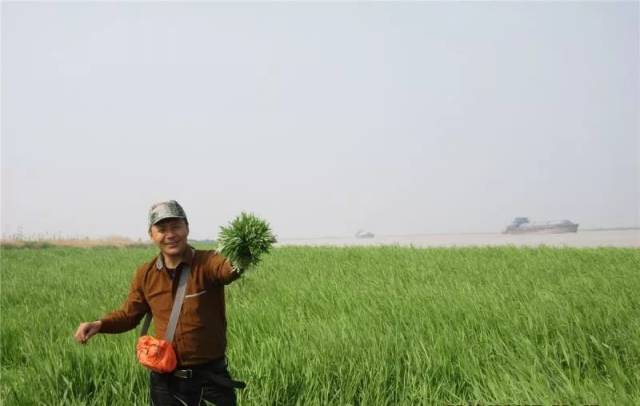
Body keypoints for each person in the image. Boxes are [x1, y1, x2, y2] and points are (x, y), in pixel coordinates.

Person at [74, 200, 245, 406]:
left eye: (176, 227)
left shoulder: (208, 262)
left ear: (187, 228)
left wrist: (244, 252)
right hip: (166, 384)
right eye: (162, 229)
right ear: (152, 235)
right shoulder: (146, 274)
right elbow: (129, 315)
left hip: (211, 381)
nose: (170, 235)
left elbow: (228, 269)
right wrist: (100, 324)